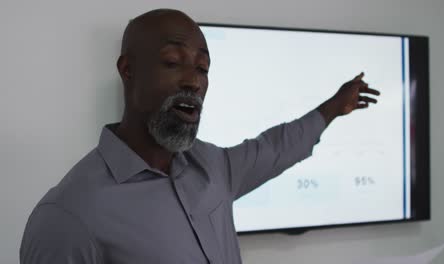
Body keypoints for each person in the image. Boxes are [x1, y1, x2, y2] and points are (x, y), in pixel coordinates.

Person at [19, 8, 380, 264]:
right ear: (127, 70)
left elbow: (276, 149)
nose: (193, 81)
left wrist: (333, 107)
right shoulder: (69, 216)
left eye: (203, 68)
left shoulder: (213, 167)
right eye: (173, 62)